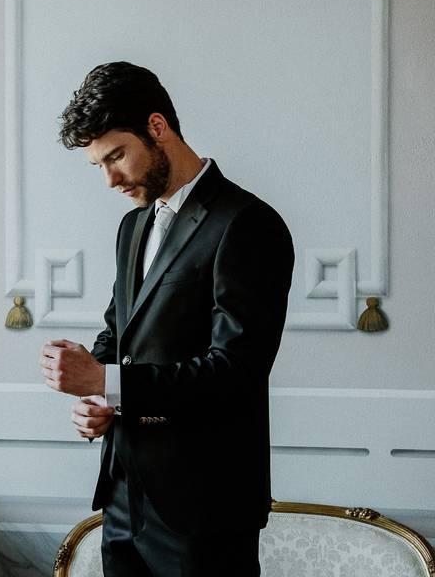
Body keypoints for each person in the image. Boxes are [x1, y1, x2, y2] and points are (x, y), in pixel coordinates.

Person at [38, 62, 294, 577]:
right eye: (98, 166)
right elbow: (119, 335)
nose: (110, 179)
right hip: (122, 498)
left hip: (204, 508)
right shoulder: (132, 227)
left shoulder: (246, 224)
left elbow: (237, 372)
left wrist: (108, 381)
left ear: (158, 127)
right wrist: (98, 399)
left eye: (116, 156)